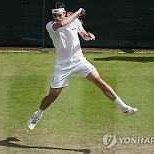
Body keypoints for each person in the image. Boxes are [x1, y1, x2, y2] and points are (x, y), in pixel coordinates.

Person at [27, 2, 137, 130]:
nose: (57, 18)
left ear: (64, 13)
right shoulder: (50, 25)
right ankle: (38, 114)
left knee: (99, 81)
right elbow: (62, 24)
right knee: (52, 96)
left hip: (79, 61)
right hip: (63, 66)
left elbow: (83, 35)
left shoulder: (75, 21)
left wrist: (88, 36)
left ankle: (124, 107)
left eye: (59, 15)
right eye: (55, 15)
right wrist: (78, 12)